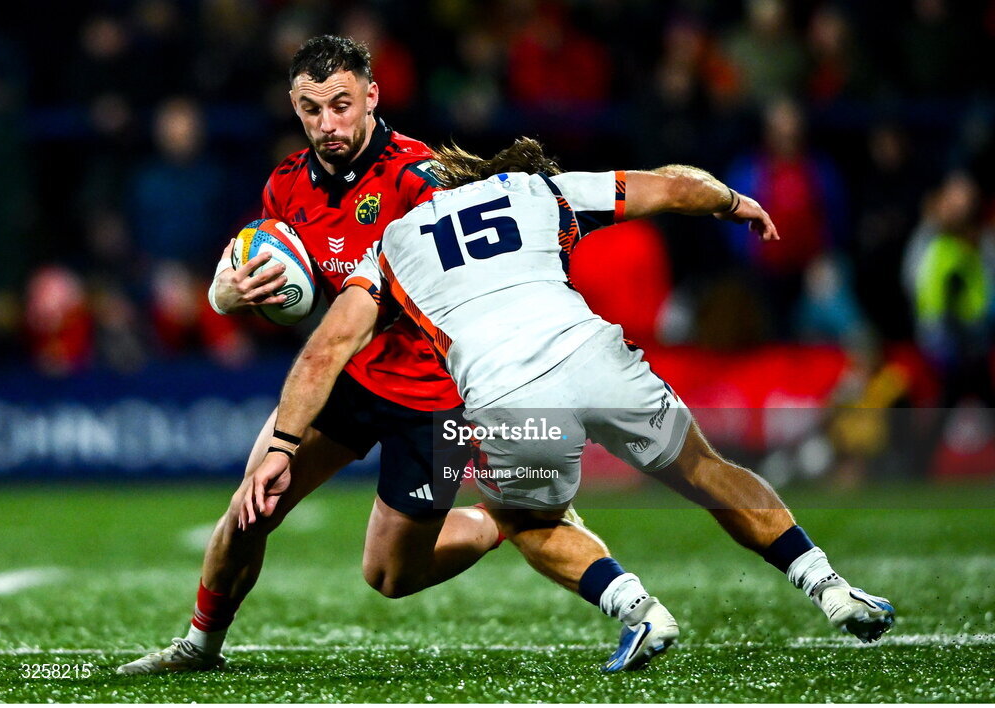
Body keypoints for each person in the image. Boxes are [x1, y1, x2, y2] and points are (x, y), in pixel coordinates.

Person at [242, 139, 897, 671]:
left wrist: (283, 445)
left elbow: (328, 347)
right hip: (595, 357)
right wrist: (731, 201)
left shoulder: (394, 242)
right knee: (704, 470)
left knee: (527, 519)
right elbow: (671, 184)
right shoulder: (541, 191)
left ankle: (638, 608)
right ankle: (830, 586)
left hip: (507, 398)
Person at [118, 35, 580, 675]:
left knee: (392, 575)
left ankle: (500, 515)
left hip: (432, 391)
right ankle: (200, 646)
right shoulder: (284, 185)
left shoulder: (424, 180)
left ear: (372, 95)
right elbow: (283, 282)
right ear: (293, 105)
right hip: (350, 376)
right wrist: (226, 293)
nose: (327, 124)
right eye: (311, 109)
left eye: (341, 105)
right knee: (250, 507)